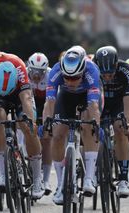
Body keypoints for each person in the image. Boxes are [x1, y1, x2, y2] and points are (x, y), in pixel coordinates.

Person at [0, 52, 45, 199]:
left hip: (19, 94)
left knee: (28, 128)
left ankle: (38, 179)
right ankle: (1, 176)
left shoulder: (19, 68)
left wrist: (31, 123)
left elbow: (26, 98)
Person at [43, 45, 102, 205]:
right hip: (66, 98)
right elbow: (49, 102)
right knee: (57, 134)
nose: (70, 82)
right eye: (66, 78)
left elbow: (94, 106)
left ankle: (89, 178)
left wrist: (96, 124)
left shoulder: (92, 71)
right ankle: (61, 184)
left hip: (87, 98)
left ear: (82, 72)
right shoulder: (56, 71)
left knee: (88, 127)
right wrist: (47, 122)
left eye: (75, 78)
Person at [94, 46, 129, 198]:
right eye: (103, 75)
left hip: (119, 103)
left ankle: (123, 179)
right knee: (89, 129)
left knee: (120, 129)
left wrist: (127, 123)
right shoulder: (91, 67)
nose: (107, 78)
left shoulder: (126, 70)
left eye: (110, 74)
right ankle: (91, 169)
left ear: (117, 65)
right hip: (99, 101)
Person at [27, 52, 52, 195]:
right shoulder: (23, 73)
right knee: (25, 129)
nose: (36, 75)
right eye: (34, 71)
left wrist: (46, 122)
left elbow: (51, 102)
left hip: (44, 105)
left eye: (40, 72)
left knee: (47, 139)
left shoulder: (50, 76)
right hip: (28, 102)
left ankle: (46, 179)